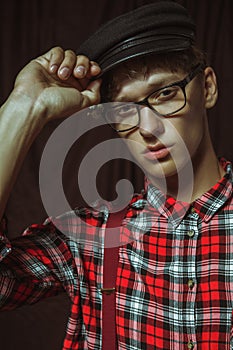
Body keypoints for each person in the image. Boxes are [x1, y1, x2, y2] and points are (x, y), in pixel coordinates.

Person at [0, 1, 232, 349]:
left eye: (165, 93)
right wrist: (23, 108)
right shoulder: (89, 237)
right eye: (126, 109)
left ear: (208, 88)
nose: (148, 128)